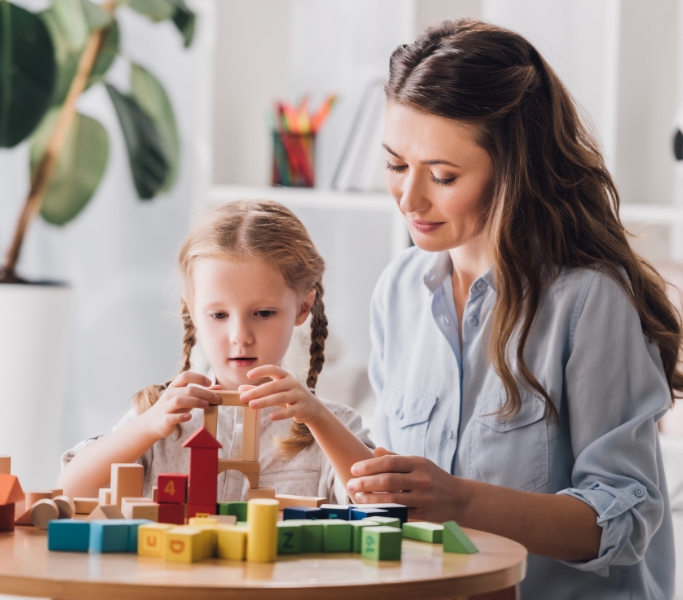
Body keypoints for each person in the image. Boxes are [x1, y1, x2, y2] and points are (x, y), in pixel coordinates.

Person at [345, 18, 678, 599]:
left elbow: (623, 523)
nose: (409, 198)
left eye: (443, 175)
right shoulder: (398, 289)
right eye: (396, 165)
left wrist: (460, 500)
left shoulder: (589, 300)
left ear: (512, 171)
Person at [57, 200, 374, 504]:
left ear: (303, 307)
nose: (240, 336)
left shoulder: (332, 425)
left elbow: (378, 501)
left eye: (263, 313)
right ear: (192, 311)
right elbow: (70, 492)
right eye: (219, 315)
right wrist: (149, 426)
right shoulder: (159, 416)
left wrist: (317, 417)